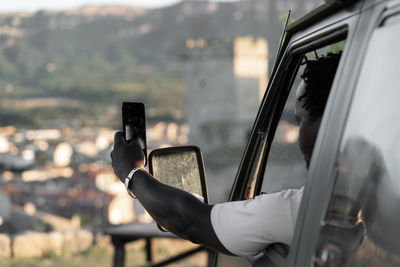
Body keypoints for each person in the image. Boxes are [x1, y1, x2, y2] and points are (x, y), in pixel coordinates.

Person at [110, 52, 342, 256]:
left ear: (328, 122)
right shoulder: (367, 204)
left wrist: (131, 171)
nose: (298, 135)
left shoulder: (299, 210)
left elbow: (190, 221)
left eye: (300, 121)